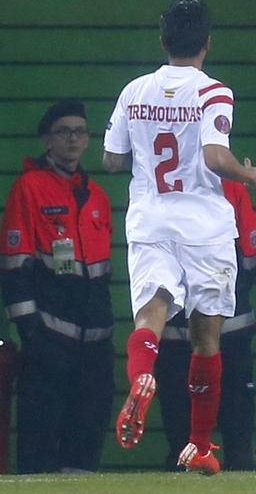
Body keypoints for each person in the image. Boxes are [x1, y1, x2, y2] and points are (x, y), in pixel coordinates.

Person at [102, 0, 256, 476]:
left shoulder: (134, 90)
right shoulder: (214, 92)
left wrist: (147, 158)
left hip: (150, 219)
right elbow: (216, 157)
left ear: (163, 42)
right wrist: (248, 174)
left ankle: (142, 379)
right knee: (207, 337)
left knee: (150, 316)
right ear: (207, 44)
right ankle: (198, 445)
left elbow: (112, 160)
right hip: (205, 227)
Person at [0, 99, 115, 473]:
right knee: (40, 444)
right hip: (49, 339)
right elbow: (15, 265)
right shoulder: (29, 188)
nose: (73, 139)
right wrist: (31, 332)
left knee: (86, 443)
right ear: (48, 140)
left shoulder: (96, 195)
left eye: (80, 131)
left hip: (95, 344)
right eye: (64, 131)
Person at [155, 179, 256, 471]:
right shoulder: (228, 188)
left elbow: (251, 257)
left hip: (208, 328)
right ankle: (204, 460)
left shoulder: (230, 189)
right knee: (210, 413)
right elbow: (250, 258)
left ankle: (199, 461)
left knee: (204, 414)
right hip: (217, 326)